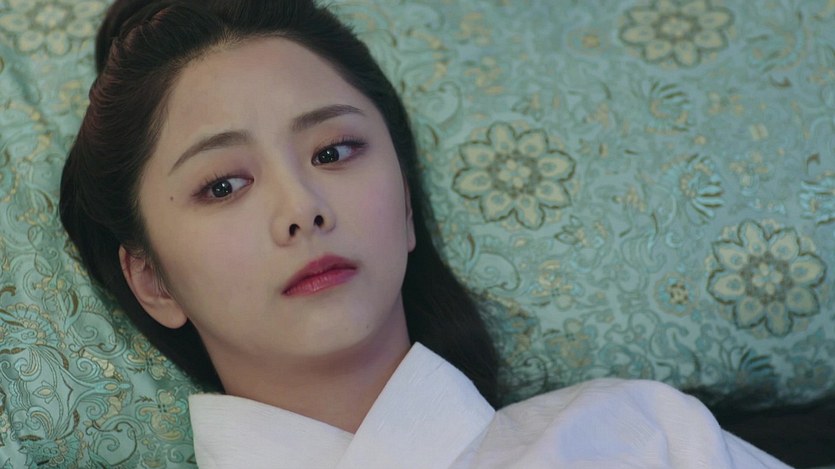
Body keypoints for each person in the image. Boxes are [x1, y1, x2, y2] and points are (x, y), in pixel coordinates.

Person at [60, 0, 791, 467]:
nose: (303, 208)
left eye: (333, 152)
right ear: (151, 280)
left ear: (407, 205)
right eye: (223, 185)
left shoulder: (638, 431)